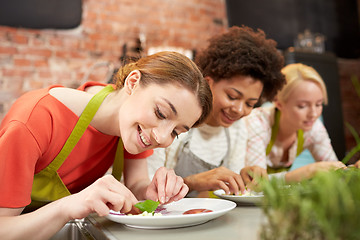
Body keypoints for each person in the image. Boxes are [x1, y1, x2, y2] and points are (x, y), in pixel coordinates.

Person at [0, 51, 212, 239]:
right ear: (132, 83)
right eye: (161, 113)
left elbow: (137, 183)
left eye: (176, 132)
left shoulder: (128, 122)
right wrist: (69, 205)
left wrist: (151, 192)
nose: (161, 136)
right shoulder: (34, 122)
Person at [147, 26, 285, 197]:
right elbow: (144, 191)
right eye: (232, 96)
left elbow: (230, 194)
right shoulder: (174, 121)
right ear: (208, 83)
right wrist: (191, 182)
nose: (239, 110)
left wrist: (242, 179)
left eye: (250, 104)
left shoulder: (237, 130)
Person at [243, 63, 346, 183]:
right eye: (302, 106)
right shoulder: (257, 123)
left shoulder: (313, 127)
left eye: (318, 104)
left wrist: (353, 170)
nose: (313, 114)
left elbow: (336, 172)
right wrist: (308, 171)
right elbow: (255, 183)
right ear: (279, 103)